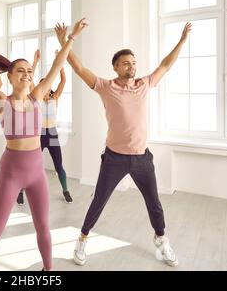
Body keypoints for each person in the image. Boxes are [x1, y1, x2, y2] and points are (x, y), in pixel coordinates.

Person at [0, 12, 87, 270]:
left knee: (43, 228)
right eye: (21, 70)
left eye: (30, 71)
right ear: (9, 76)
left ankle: (48, 271)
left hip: (36, 172)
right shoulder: (0, 99)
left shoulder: (37, 96)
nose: (27, 74)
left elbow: (57, 66)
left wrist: (72, 37)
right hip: (11, 172)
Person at [54, 21, 192, 267]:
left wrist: (181, 41)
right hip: (115, 158)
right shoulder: (106, 87)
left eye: (134, 62)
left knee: (154, 204)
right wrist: (65, 40)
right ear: (116, 67)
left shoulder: (144, 84)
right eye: (126, 63)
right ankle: (82, 239)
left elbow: (166, 65)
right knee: (99, 200)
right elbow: (79, 67)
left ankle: (161, 240)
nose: (132, 66)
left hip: (142, 158)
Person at [16, 50, 73, 205]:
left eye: (46, 85)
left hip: (52, 134)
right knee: (29, 164)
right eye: (42, 86)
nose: (44, 88)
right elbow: (30, 78)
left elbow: (63, 80)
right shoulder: (37, 99)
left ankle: (66, 190)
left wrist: (59, 62)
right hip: (39, 135)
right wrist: (35, 61)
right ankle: (20, 192)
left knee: (59, 165)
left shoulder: (56, 97)